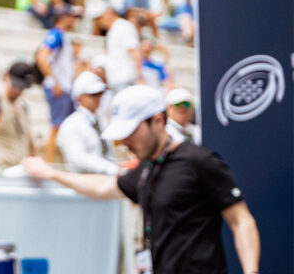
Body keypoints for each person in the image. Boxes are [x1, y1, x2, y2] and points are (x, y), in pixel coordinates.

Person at [22, 86, 260, 274]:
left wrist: (251, 271)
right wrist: (53, 174)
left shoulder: (199, 160)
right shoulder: (146, 169)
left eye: (131, 133)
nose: (124, 142)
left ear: (157, 121)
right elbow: (106, 187)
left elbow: (241, 221)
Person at [35, 6, 79, 161]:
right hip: (59, 87)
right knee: (57, 126)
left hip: (63, 86)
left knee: (61, 126)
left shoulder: (61, 36)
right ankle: (49, 162)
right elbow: (42, 57)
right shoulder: (56, 35)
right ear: (63, 17)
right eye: (71, 16)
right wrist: (55, 81)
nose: (74, 20)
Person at [56, 71, 118, 175]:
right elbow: (77, 159)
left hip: (106, 180)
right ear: (79, 97)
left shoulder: (101, 121)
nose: (98, 98)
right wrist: (109, 168)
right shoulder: (71, 124)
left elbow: (109, 153)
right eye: (93, 95)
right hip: (84, 183)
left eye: (100, 94)